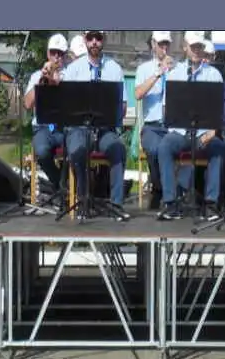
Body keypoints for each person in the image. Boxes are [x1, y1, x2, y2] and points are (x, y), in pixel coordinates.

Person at [155, 33, 225, 221]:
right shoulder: (175, 73)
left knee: (219, 148)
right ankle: (170, 202)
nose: (196, 50)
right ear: (185, 47)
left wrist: (213, 131)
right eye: (193, 46)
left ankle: (211, 203)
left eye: (199, 47)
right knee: (164, 146)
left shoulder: (214, 75)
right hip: (180, 132)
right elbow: (167, 109)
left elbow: (220, 110)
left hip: (204, 134)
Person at [61, 30, 129, 218]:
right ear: (85, 40)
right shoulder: (73, 69)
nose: (94, 42)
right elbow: (65, 105)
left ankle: (116, 204)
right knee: (78, 151)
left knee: (118, 150)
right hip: (79, 128)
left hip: (104, 129)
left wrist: (112, 111)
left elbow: (123, 106)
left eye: (98, 38)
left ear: (103, 40)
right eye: (90, 38)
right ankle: (83, 201)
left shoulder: (115, 69)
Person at [134, 31, 175, 209]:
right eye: (161, 44)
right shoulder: (144, 69)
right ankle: (158, 189)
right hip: (152, 125)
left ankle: (175, 193)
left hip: (173, 124)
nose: (164, 48)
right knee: (154, 148)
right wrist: (159, 72)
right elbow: (138, 94)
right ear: (153, 44)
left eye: (167, 44)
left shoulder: (177, 68)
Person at [23, 33, 70, 191]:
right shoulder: (36, 76)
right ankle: (60, 186)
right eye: (53, 52)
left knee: (76, 149)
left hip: (64, 127)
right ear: (48, 53)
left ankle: (66, 187)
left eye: (60, 53)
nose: (56, 57)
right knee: (42, 151)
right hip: (42, 127)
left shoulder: (71, 74)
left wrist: (57, 82)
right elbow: (27, 104)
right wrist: (41, 81)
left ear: (65, 55)